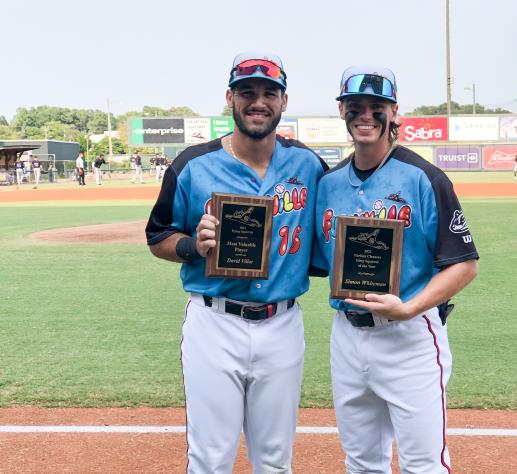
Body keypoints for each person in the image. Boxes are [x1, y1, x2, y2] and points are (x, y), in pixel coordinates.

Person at [145, 51, 327, 474]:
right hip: (214, 323)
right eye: (247, 92)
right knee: (209, 458)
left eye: (269, 92)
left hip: (282, 323)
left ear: (284, 102)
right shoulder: (192, 164)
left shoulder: (308, 165)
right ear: (230, 98)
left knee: (275, 460)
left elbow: (335, 229)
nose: (258, 101)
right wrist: (193, 245)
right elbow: (158, 236)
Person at [313, 66, 479, 473]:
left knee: (423, 464)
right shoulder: (329, 183)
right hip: (347, 335)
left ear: (395, 112)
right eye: (355, 107)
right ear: (342, 112)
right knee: (362, 461)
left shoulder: (424, 177)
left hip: (408, 335)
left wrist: (409, 307)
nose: (365, 115)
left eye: (377, 107)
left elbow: (464, 265)